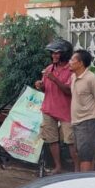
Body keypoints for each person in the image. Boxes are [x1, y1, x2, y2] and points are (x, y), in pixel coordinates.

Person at [34, 38, 78, 174]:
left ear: (65, 54)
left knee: (71, 141)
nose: (54, 55)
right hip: (49, 109)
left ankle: (78, 170)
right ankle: (58, 167)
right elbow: (45, 89)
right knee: (52, 139)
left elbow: (69, 91)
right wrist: (40, 86)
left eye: (57, 53)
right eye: (52, 53)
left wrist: (55, 79)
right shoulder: (49, 68)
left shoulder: (71, 70)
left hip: (66, 111)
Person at [68, 48, 95, 172]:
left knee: (85, 156)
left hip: (88, 121)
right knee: (83, 155)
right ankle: (89, 182)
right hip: (76, 121)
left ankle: (84, 186)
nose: (69, 62)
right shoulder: (74, 77)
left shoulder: (91, 78)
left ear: (80, 63)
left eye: (72, 60)